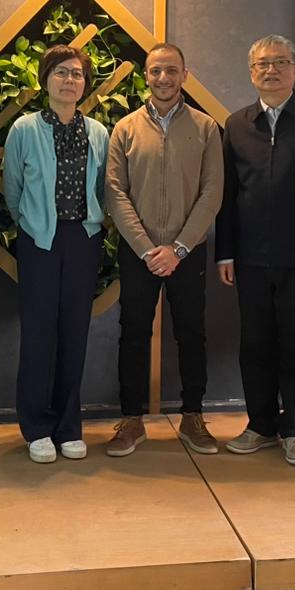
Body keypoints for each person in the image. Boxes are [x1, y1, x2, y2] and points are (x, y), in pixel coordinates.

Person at [216, 34, 295, 466]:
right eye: (262, 64)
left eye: (280, 62)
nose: (271, 70)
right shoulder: (236, 124)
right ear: (251, 72)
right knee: (254, 344)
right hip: (249, 257)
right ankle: (260, 425)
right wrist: (225, 253)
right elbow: (228, 195)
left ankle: (294, 430)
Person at [104, 43, 224, 456]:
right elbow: (115, 192)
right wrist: (146, 248)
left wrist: (179, 248)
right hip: (138, 253)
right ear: (146, 75)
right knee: (133, 333)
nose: (163, 78)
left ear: (184, 75)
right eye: (156, 70)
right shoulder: (125, 129)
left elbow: (212, 192)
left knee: (191, 333)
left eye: (171, 70)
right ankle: (131, 420)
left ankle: (193, 416)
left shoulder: (206, 128)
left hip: (187, 252)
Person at [3, 44, 109, 463]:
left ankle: (68, 427)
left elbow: (102, 187)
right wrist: (31, 224)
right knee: (38, 335)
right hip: (39, 242)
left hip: (83, 239)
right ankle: (36, 428)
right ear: (45, 79)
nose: (69, 80)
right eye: (61, 72)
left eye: (77, 74)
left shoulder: (98, 132)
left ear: (86, 83)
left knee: (74, 334)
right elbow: (13, 188)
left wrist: (91, 225)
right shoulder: (25, 129)